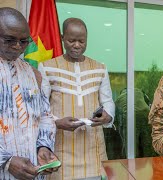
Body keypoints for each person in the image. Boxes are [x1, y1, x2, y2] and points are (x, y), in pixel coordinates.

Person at [38, 18, 115, 179]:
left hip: (94, 151)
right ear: (62, 38)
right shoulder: (47, 67)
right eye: (71, 40)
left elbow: (107, 100)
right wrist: (57, 122)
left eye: (82, 41)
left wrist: (107, 116)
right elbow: (40, 107)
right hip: (61, 148)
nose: (77, 45)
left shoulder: (100, 68)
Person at [0, 7, 59, 179]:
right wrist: (7, 161)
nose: (18, 46)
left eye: (24, 41)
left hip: (32, 172)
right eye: (10, 40)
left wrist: (44, 147)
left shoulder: (34, 74)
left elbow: (45, 117)